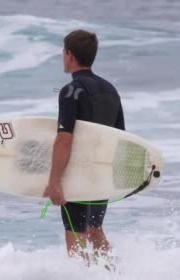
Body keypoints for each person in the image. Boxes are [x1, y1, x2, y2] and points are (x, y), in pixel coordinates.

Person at [43, 29, 125, 263]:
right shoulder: (110, 90)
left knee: (75, 234)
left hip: (78, 174)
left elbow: (64, 139)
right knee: (94, 229)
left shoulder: (71, 91)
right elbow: (120, 136)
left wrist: (54, 181)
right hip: (101, 174)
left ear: (69, 54)